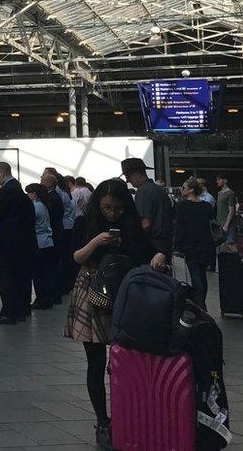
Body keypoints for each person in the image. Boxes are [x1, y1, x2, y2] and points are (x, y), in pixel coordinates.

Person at [65, 179, 166, 449]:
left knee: (128, 359)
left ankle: (130, 415)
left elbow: (148, 252)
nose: (112, 213)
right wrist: (97, 241)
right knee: (95, 362)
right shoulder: (84, 223)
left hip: (124, 294)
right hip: (92, 292)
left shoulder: (131, 226)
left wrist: (158, 256)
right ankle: (102, 421)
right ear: (98, 204)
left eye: (118, 209)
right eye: (107, 207)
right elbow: (76, 257)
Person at [0, 162, 36, 324]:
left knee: (7, 277)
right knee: (21, 275)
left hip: (8, 243)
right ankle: (22, 308)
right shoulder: (19, 191)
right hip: (22, 242)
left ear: (2, 173)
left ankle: (9, 311)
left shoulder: (7, 192)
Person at [121, 158, 172, 269]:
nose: (127, 181)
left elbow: (145, 224)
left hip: (150, 247)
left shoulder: (143, 192)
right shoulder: (158, 190)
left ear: (138, 173)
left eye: (128, 176)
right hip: (164, 245)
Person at [174, 178, 215, 309]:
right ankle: (201, 301)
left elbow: (180, 227)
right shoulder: (206, 206)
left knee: (195, 274)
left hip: (190, 245)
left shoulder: (181, 206)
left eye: (184, 187)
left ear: (191, 190)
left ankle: (200, 304)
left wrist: (178, 246)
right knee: (201, 275)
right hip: (206, 244)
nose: (182, 190)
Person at [25, 183, 57, 309]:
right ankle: (46, 298)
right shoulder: (43, 205)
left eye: (28, 193)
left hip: (39, 242)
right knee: (45, 273)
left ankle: (42, 299)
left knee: (38, 275)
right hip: (47, 241)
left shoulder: (35, 207)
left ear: (34, 194)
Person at [217, 174, 237, 247]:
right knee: (220, 245)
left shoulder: (230, 193)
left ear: (225, 180)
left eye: (219, 179)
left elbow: (231, 211)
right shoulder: (219, 193)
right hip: (219, 222)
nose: (217, 181)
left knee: (230, 245)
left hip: (227, 223)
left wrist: (226, 225)